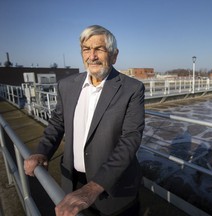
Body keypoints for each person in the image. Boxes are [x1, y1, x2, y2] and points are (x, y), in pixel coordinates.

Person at [24, 25, 145, 216]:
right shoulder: (66, 85)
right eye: (86, 49)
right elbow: (57, 123)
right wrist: (42, 151)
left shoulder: (132, 89)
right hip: (73, 180)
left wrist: (94, 187)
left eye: (99, 49)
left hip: (113, 188)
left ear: (114, 55)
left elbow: (131, 139)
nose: (92, 56)